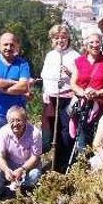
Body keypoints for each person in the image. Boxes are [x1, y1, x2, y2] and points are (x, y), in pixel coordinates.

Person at [60, 32, 103, 171]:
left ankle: (96, 164)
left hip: (101, 104)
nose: (94, 45)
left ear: (101, 44)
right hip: (81, 102)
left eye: (97, 42)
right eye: (91, 42)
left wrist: (97, 93)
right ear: (86, 45)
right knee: (79, 134)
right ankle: (80, 166)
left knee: (96, 134)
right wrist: (82, 92)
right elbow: (73, 83)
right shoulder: (79, 61)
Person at [39, 25, 79, 155]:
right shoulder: (50, 55)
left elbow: (80, 80)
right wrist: (44, 92)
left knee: (65, 132)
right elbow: (44, 76)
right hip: (50, 99)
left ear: (68, 39)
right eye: (56, 38)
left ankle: (63, 164)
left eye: (63, 37)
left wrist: (69, 73)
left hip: (66, 100)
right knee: (48, 131)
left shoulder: (75, 56)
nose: (60, 40)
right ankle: (48, 161)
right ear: (52, 40)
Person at [0, 33, 31, 134]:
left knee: (16, 147)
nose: (8, 47)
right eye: (5, 44)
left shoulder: (23, 64)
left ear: (17, 47)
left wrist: (2, 89)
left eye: (12, 45)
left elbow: (24, 87)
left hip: (16, 117)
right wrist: (14, 82)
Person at [0, 106, 42, 197]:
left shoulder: (35, 133)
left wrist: (22, 169)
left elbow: (35, 157)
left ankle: (25, 193)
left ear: (25, 120)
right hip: (10, 163)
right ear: (8, 121)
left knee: (34, 174)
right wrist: (6, 170)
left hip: (28, 164)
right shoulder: (3, 132)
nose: (15, 124)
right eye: (12, 121)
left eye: (18, 120)